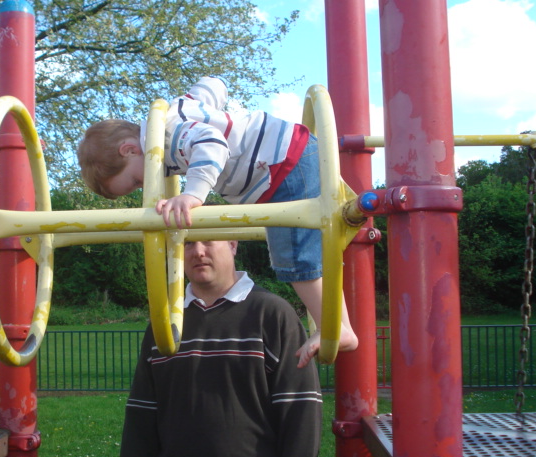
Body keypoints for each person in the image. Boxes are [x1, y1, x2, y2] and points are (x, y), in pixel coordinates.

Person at [77, 76, 358, 367]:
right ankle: (340, 326)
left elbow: (212, 143)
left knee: (295, 258)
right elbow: (209, 90)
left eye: (136, 181)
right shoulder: (178, 111)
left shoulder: (168, 136)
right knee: (304, 255)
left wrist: (193, 194)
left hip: (283, 166)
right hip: (289, 159)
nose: (144, 185)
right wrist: (216, 84)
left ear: (129, 149)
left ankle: (335, 329)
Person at [119, 240, 323, 457]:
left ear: (232, 245)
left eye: (208, 240)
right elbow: (141, 416)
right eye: (187, 243)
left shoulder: (271, 314)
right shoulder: (164, 325)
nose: (198, 252)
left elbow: (300, 413)